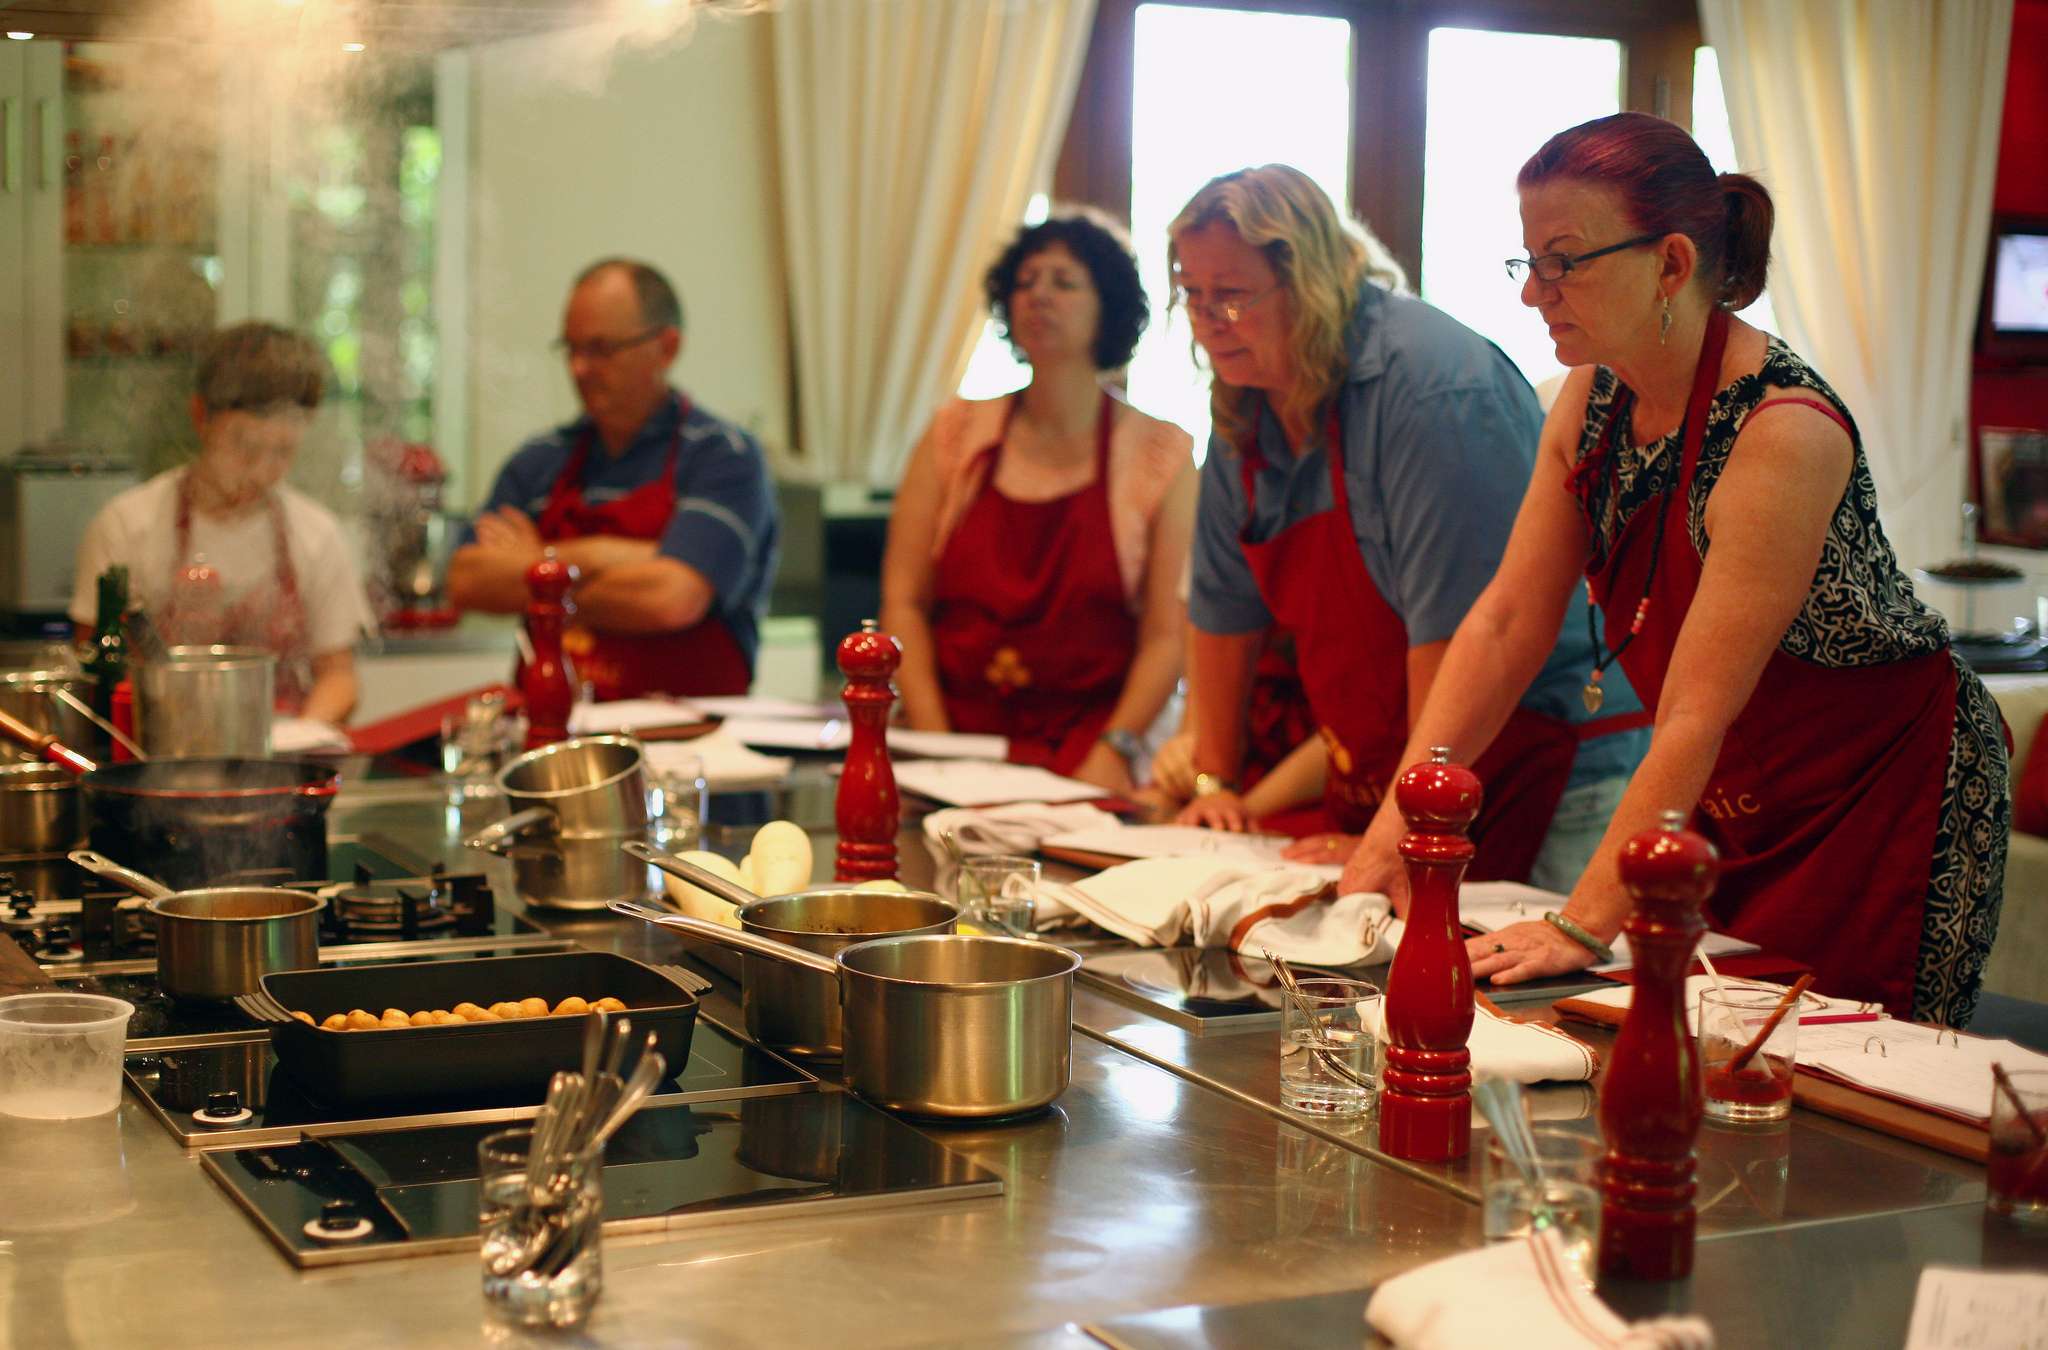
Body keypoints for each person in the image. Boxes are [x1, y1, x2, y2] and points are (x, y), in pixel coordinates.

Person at [1341, 113, 2009, 1024]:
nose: (1535, 293)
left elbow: (1696, 710)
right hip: (1731, 796)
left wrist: (1580, 927)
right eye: (1529, 261)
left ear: (1671, 263)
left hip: (1880, 799)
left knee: (1847, 1067)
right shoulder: (1593, 398)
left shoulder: (1781, 432)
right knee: (1708, 1044)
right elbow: (1504, 624)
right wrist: (1398, 824)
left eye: (1564, 262)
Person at [1171, 165, 1647, 885]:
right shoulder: (1246, 401)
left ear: (1308, 283)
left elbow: (1466, 635)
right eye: (1193, 295)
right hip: (1410, 772)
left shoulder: (1432, 387)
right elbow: (1221, 610)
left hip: (1546, 762)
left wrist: (1403, 829)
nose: (1209, 322)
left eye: (1232, 296)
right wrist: (1214, 787)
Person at [882, 210, 1197, 794]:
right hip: (949, 738)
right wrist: (936, 743)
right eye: (1025, 281)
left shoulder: (1162, 453)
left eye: (1064, 282)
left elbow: (1166, 637)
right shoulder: (953, 433)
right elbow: (903, 602)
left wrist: (1114, 748)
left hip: (1088, 750)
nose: (1039, 296)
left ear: (1108, 308)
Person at [447, 258, 779, 700]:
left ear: (667, 348)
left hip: (688, 730)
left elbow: (671, 600)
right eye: (571, 348)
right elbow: (466, 580)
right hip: (551, 722)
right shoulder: (541, 459)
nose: (578, 369)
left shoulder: (724, 457)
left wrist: (537, 567)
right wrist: (620, 557)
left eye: (600, 349)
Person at [70, 322, 374, 725]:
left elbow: (339, 677)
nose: (262, 472)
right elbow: (93, 671)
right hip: (157, 752)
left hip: (281, 755)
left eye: (283, 451)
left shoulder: (317, 534)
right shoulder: (126, 526)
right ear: (201, 417)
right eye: (245, 448)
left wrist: (301, 734)